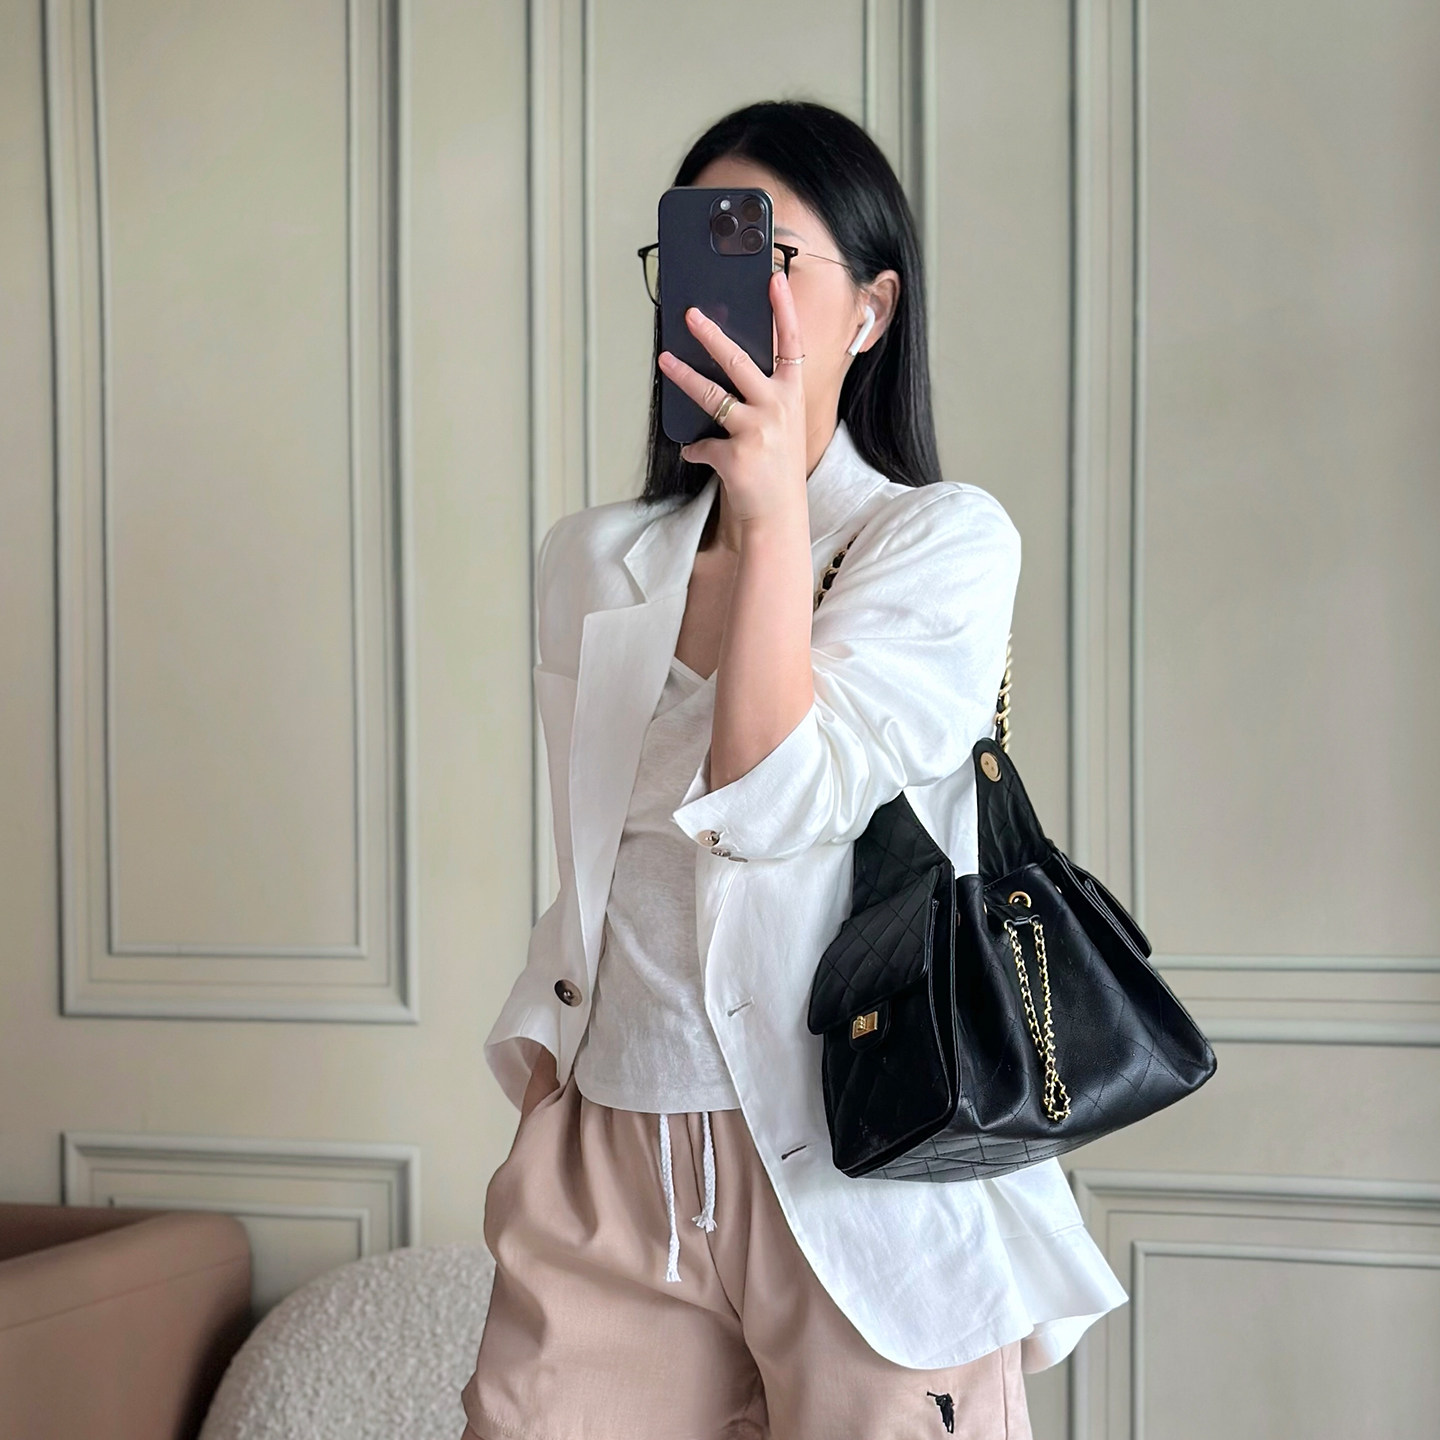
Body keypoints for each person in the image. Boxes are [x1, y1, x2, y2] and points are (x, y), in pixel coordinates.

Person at [460, 99, 1127, 1440]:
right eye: (696, 254)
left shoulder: (941, 542)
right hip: (611, 1159)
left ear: (871, 311)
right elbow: (603, 857)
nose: (728, 291)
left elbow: (771, 800)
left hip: (864, 1164)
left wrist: (771, 516)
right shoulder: (593, 560)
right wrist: (550, 1109)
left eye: (771, 253)